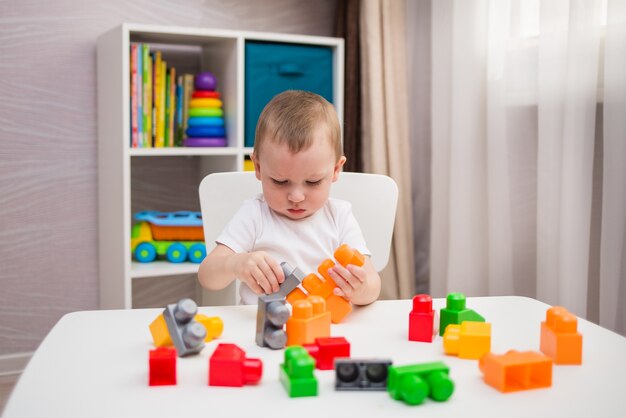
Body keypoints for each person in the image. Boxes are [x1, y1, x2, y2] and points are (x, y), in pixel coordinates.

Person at [198, 90, 381, 305]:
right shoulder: (254, 214)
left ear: (335, 170)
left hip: (326, 331)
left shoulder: (339, 216)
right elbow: (207, 276)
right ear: (258, 167)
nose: (296, 196)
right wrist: (236, 264)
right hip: (263, 331)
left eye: (312, 182)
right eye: (280, 181)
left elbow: (373, 283)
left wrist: (361, 290)